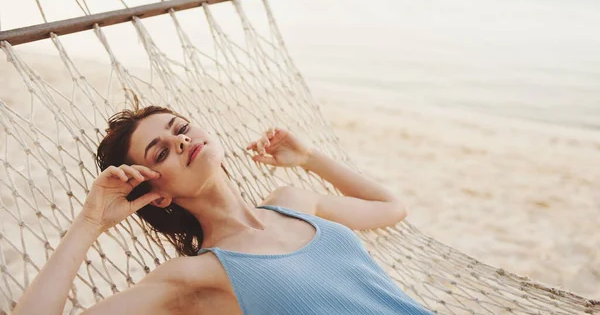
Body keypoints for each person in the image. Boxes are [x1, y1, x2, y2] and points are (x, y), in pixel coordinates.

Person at [13, 105, 433, 315]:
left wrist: (310, 159)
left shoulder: (294, 201)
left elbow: (390, 207)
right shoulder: (193, 277)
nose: (179, 141)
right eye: (160, 152)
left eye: (180, 129)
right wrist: (88, 224)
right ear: (156, 194)